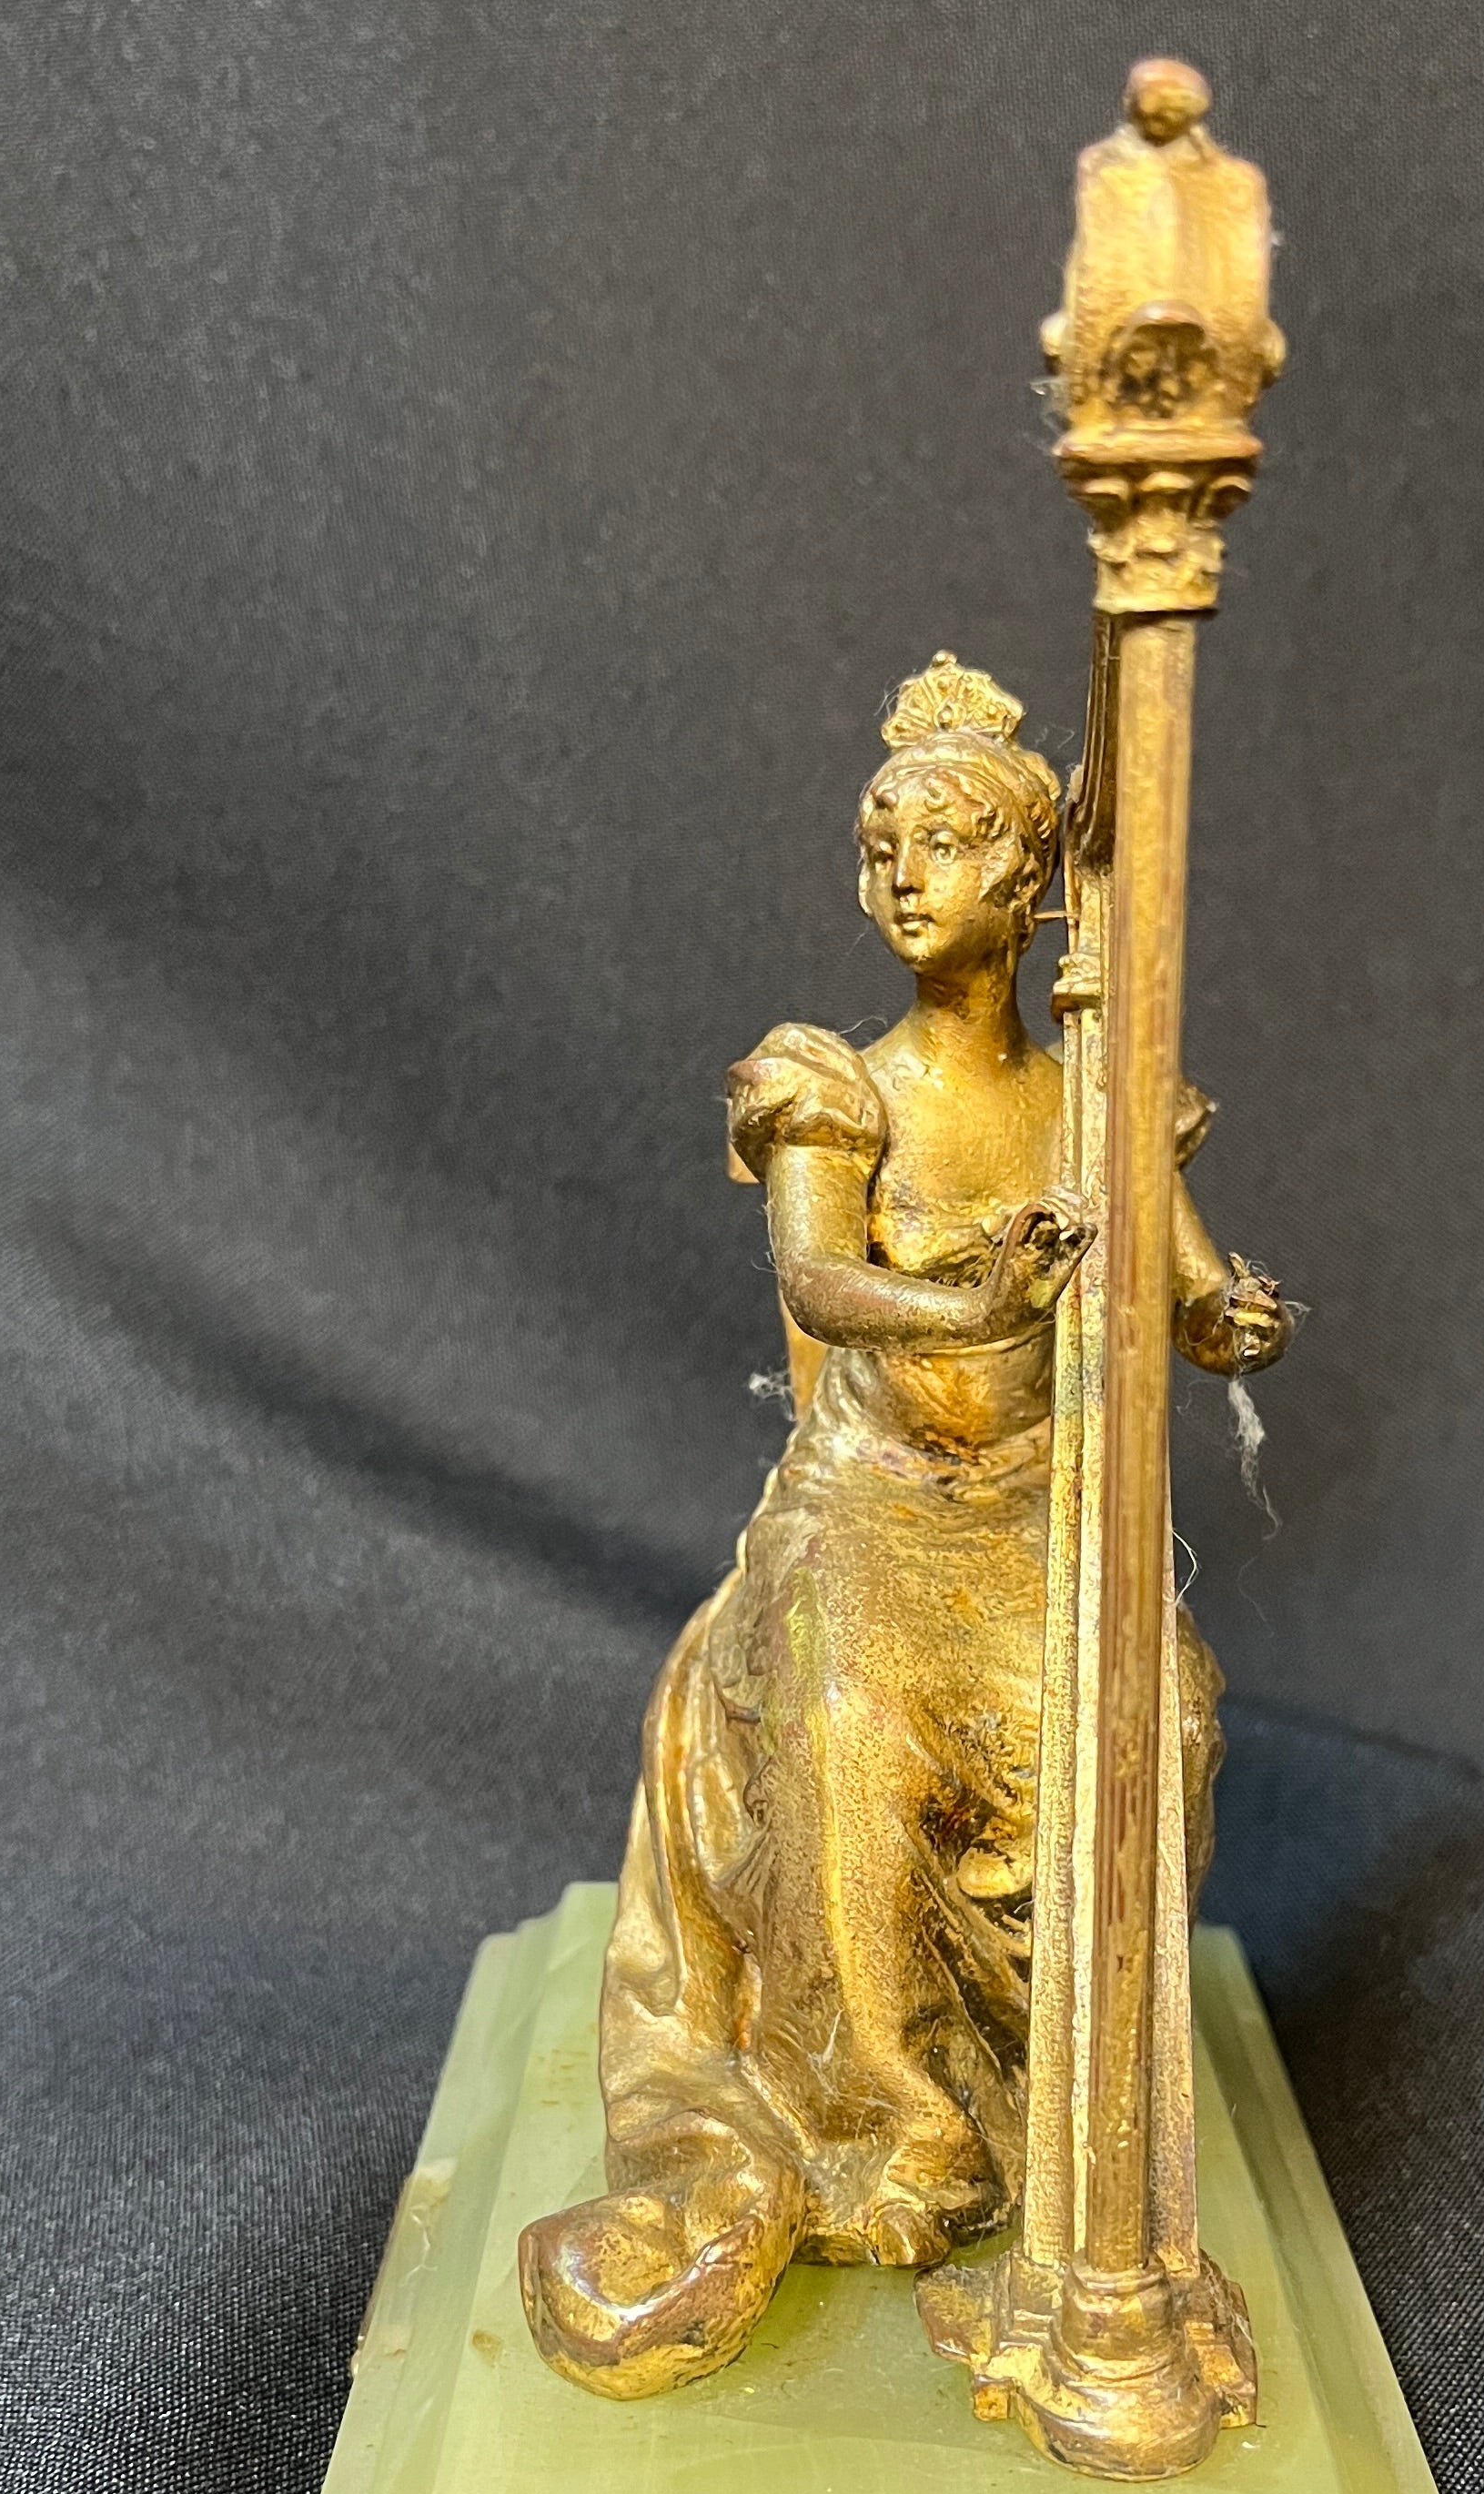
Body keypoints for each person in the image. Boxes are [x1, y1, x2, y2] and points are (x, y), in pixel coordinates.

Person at [519, 656, 1289, 2399]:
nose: (902, 879)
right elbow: (818, 1282)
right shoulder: (836, 1087)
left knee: (1162, 1714)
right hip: (867, 1506)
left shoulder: (1094, 1095)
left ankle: (1081, 2102)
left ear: (1029, 882)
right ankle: (896, 2130)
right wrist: (978, 1303)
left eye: (942, 847)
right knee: (852, 1718)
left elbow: (1187, 1285)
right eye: (882, 850)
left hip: (1027, 1513)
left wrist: (1231, 1317)